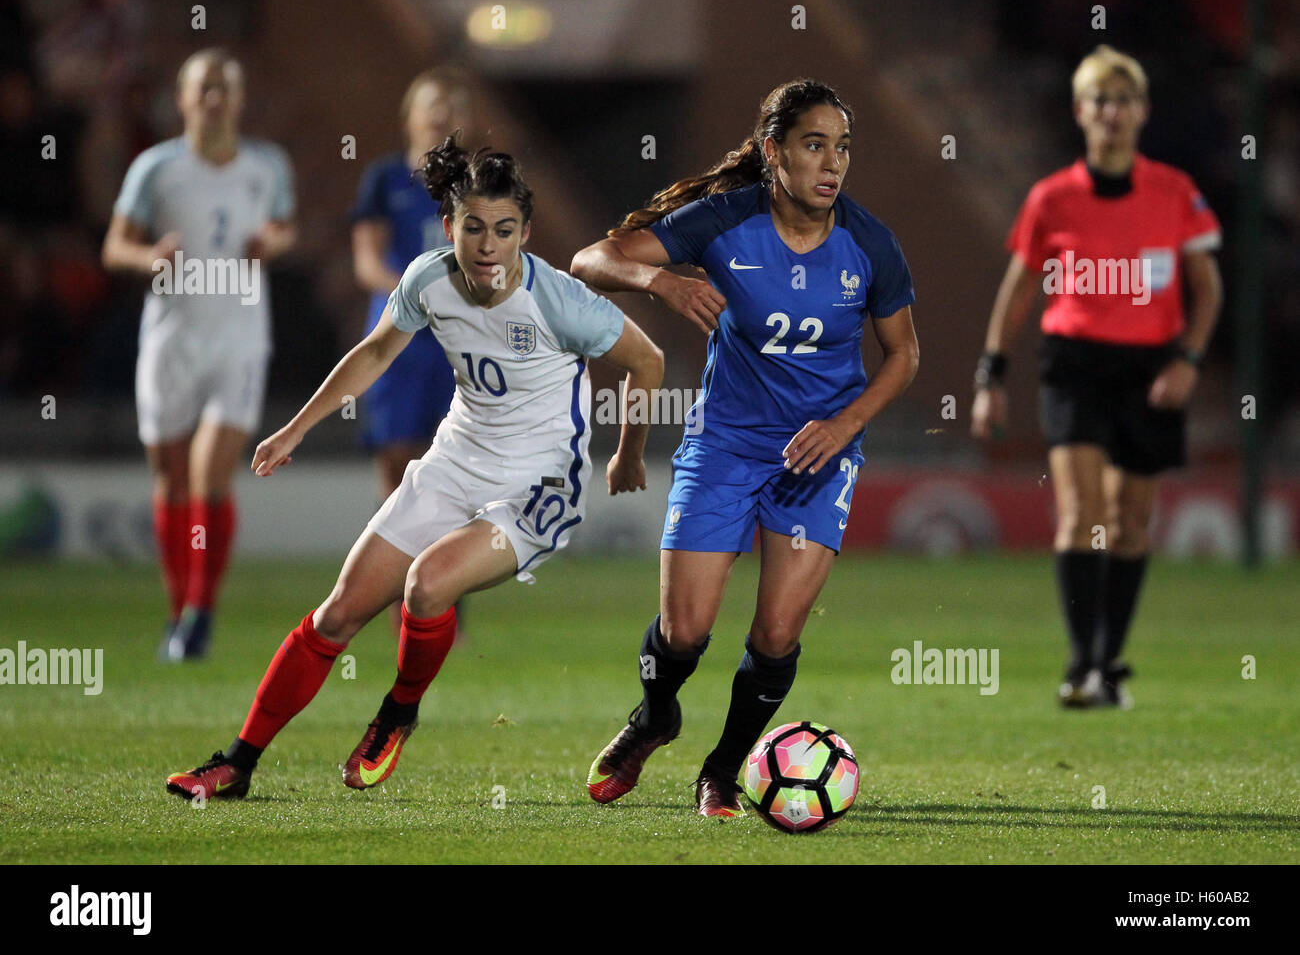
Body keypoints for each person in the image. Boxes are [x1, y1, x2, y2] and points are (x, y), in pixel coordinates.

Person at [165, 137, 664, 799]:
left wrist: (628, 450)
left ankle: (397, 711)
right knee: (338, 612)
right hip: (454, 461)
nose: (489, 246)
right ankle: (237, 763)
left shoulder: (559, 299)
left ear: (526, 233)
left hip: (537, 486)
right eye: (475, 229)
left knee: (427, 584)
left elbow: (648, 359)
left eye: (505, 231)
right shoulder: (429, 278)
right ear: (450, 226)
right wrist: (296, 428)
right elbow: (374, 354)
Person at [572, 78, 919, 818]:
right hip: (725, 443)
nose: (833, 164)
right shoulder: (725, 221)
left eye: (843, 147)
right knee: (685, 630)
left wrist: (844, 425)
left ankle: (725, 768)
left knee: (776, 632)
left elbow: (903, 356)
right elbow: (588, 260)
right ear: (773, 152)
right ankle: (655, 716)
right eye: (814, 145)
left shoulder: (871, 244)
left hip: (817, 458)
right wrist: (657, 278)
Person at [971, 45, 1223, 708]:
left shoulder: (1175, 191)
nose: (1112, 112)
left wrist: (1187, 361)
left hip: (1149, 366)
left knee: (1131, 520)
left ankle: (1109, 662)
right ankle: (1082, 663)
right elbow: (1020, 289)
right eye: (1099, 100)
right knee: (1082, 512)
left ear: (1142, 111)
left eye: (1124, 100)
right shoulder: (1051, 198)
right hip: (1075, 363)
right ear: (1081, 112)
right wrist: (990, 372)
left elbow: (1209, 289)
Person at [101, 48, 296, 661]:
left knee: (212, 474)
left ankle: (200, 613)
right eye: (203, 88)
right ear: (182, 99)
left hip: (239, 337)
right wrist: (148, 256)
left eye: (225, 88)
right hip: (171, 337)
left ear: (239, 100)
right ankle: (177, 611)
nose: (214, 99)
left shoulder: (266, 166)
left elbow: (285, 227)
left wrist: (273, 242)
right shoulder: (156, 169)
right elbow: (114, 247)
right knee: (172, 478)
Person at [351, 68, 475, 635]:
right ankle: (401, 583)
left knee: (453, 461)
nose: (440, 115)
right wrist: (412, 291)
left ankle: (447, 589)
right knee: (398, 462)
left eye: (449, 106)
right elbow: (367, 263)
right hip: (400, 337)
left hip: (459, 339)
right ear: (410, 116)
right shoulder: (384, 180)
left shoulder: (478, 182)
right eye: (430, 105)